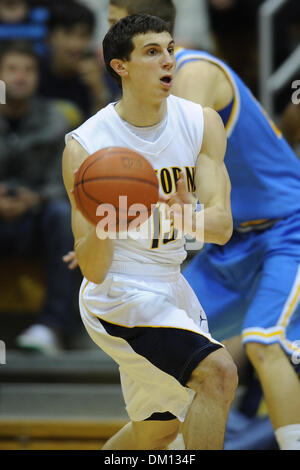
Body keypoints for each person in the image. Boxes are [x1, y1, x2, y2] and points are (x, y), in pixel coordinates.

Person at [102, 0, 300, 451]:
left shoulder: (195, 73)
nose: (107, 37)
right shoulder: (136, 99)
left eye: (117, 25)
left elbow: (173, 165)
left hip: (287, 227)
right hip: (232, 246)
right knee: (167, 358)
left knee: (262, 341)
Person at [62, 14, 238, 450]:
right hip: (119, 292)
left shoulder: (201, 122)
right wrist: (108, 222)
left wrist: (187, 217)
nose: (168, 61)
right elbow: (94, 269)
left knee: (156, 431)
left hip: (171, 283)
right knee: (218, 373)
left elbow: (221, 229)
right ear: (120, 65)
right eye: (152, 52)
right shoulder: (86, 146)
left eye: (170, 49)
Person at [0, 40, 79, 355]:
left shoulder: (57, 118)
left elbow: (67, 180)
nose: (21, 77)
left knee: (64, 214)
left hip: (38, 218)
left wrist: (32, 199)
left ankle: (52, 327)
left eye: (29, 70)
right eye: (12, 69)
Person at [38, 1, 111, 122]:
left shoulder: (100, 77)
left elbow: (105, 132)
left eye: (83, 35)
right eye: (68, 34)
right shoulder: (32, 71)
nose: (75, 45)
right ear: (50, 37)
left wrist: (99, 92)